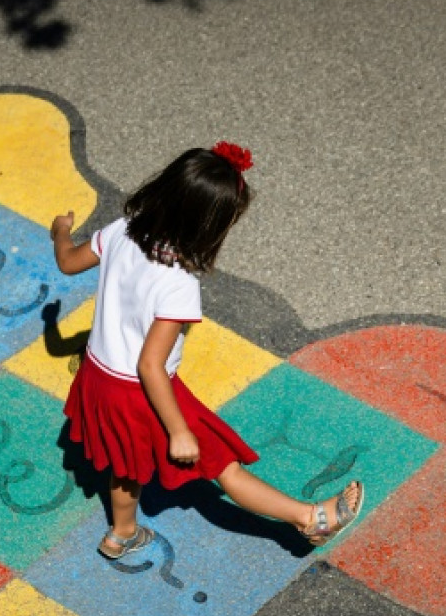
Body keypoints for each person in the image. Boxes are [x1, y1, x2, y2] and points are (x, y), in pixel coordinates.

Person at [50, 142, 363, 559]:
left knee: (125, 467)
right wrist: (178, 430)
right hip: (143, 392)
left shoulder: (122, 229)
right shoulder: (177, 283)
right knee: (222, 465)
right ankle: (311, 519)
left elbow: (68, 262)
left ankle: (121, 533)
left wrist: (61, 233)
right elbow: (150, 364)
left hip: (98, 377)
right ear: (208, 226)